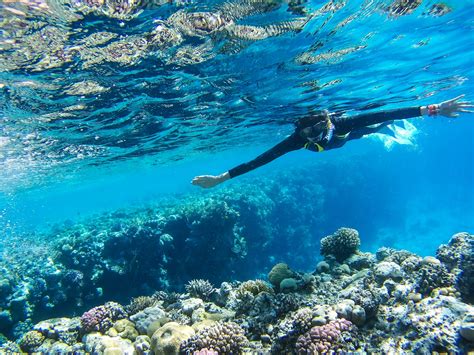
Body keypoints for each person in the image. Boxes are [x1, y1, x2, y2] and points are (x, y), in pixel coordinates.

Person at [191, 95, 473, 188]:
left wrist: (431, 109)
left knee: (375, 124)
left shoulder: (341, 122)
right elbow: (260, 160)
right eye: (306, 133)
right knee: (371, 129)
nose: (313, 136)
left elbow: (388, 109)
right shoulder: (295, 141)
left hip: (348, 135)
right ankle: (385, 132)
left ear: (326, 119)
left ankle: (390, 131)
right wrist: (220, 178)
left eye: (317, 127)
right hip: (342, 140)